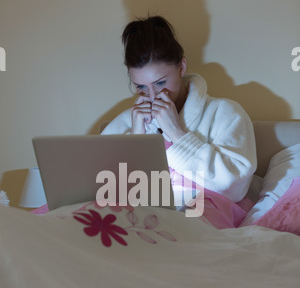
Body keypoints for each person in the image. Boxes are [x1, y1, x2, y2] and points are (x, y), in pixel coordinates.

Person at [101, 15, 257, 203]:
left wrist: (176, 134)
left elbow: (234, 188)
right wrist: (137, 139)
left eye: (160, 83)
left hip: (201, 215)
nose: (152, 96)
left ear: (182, 67)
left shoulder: (225, 113)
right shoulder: (125, 123)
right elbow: (105, 192)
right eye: (141, 86)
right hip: (141, 216)